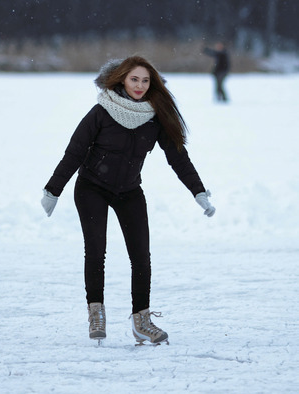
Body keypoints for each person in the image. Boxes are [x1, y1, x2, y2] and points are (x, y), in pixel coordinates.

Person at [41, 56, 216, 345]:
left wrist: (198, 190)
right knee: (96, 252)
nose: (140, 85)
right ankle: (96, 313)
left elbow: (178, 157)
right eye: (134, 79)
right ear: (122, 79)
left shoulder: (155, 116)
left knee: (141, 257)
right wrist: (53, 190)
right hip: (91, 188)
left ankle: (141, 322)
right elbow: (74, 152)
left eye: (145, 80)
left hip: (129, 191)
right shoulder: (101, 112)